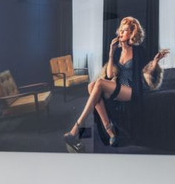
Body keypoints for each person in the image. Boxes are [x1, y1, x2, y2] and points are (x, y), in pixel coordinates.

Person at [63, 16, 168, 150]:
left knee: (98, 83)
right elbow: (109, 75)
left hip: (132, 90)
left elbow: (147, 70)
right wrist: (111, 53)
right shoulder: (117, 51)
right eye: (121, 30)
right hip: (119, 87)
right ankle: (110, 131)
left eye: (125, 30)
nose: (121, 33)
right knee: (91, 86)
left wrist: (155, 61)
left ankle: (76, 128)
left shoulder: (138, 50)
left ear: (132, 33)